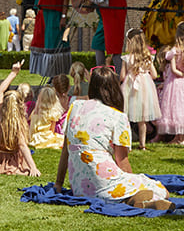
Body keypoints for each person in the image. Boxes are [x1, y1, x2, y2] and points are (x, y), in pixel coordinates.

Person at [55, 67, 171, 210]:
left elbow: (66, 150)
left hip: (79, 188)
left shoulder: (75, 107)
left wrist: (58, 184)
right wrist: (131, 183)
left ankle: (132, 200)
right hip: (104, 182)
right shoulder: (118, 117)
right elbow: (122, 161)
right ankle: (134, 197)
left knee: (126, 189)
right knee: (161, 190)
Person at [0, 89, 39, 176]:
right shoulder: (19, 123)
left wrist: (13, 74)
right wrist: (33, 167)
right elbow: (22, 145)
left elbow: (0, 91)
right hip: (11, 157)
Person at [157, 22, 184, 145]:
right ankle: (179, 137)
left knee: (176, 108)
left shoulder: (175, 50)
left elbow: (174, 69)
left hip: (176, 82)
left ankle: (180, 138)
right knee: (183, 108)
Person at [29, 0, 70, 77]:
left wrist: (63, 16)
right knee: (43, 44)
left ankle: (56, 74)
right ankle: (47, 73)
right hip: (43, 16)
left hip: (55, 15)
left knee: (53, 44)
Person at [122, 28, 161, 150]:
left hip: (130, 87)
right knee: (142, 119)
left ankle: (126, 143)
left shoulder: (127, 58)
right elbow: (154, 75)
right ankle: (142, 144)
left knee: (127, 116)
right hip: (145, 87)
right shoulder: (148, 57)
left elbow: (122, 76)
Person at [26, 84, 65, 151]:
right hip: (48, 136)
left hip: (37, 138)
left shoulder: (35, 113)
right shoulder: (53, 114)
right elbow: (52, 130)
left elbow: (32, 129)